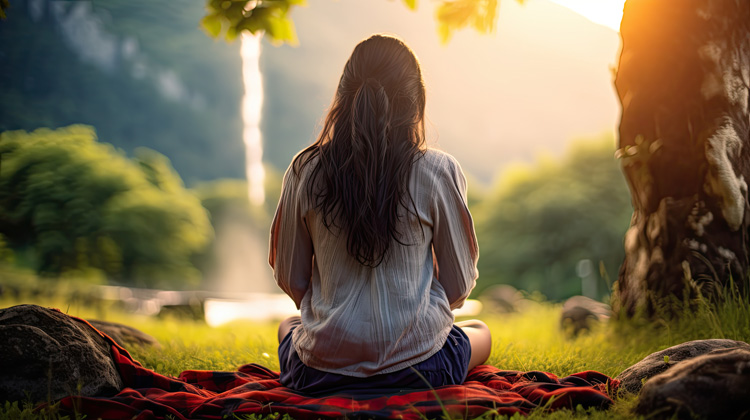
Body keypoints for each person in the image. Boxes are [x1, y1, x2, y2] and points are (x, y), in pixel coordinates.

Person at [269, 34, 491, 394]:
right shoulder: (438, 170)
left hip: (320, 374)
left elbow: (291, 279)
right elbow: (459, 286)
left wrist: (339, 321)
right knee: (481, 331)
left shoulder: (303, 169)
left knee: (288, 325)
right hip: (422, 370)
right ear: (415, 100)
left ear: (342, 97)